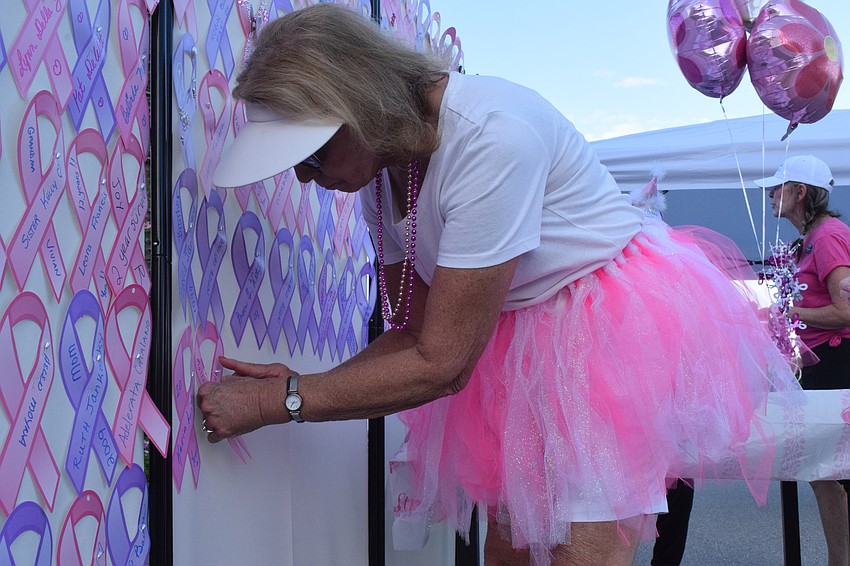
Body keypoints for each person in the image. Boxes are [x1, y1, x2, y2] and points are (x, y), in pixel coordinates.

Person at [200, 5, 799, 565]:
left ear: (358, 107)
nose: (307, 180)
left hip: (602, 331)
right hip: (514, 339)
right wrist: (307, 387)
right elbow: (415, 331)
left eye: (311, 159)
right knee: (510, 552)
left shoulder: (490, 133)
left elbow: (442, 360)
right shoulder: (382, 178)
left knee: (574, 549)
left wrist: (278, 402)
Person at [755, 154, 850, 566]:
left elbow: (846, 311)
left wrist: (791, 314)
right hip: (821, 365)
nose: (770, 194)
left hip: (839, 362)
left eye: (778, 187)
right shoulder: (808, 239)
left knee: (834, 473)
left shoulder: (828, 236)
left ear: (801, 192)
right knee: (824, 475)